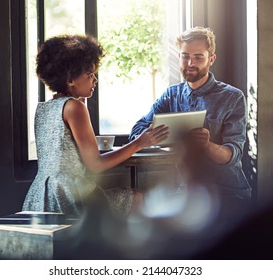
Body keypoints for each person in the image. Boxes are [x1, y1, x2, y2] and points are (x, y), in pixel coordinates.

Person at [22, 34, 168, 218]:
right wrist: (140, 142)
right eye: (90, 74)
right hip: (70, 197)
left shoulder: (43, 109)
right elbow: (95, 165)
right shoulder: (75, 107)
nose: (95, 80)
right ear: (69, 80)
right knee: (137, 198)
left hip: (41, 196)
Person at [129, 26, 252, 226]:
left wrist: (207, 146)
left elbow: (233, 155)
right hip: (185, 191)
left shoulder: (233, 97)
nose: (190, 63)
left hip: (227, 192)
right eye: (185, 56)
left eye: (198, 57)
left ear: (211, 59)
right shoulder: (171, 95)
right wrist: (151, 136)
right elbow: (137, 130)